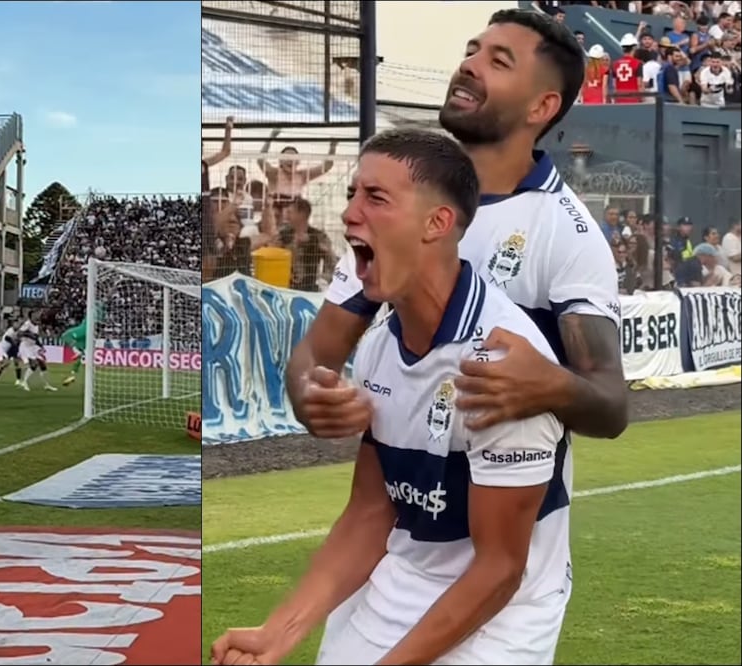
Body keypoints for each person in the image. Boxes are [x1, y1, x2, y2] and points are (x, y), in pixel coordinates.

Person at [284, 9, 627, 660]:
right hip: (402, 542)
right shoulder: (392, 209)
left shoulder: (566, 235)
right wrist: (311, 395)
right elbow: (315, 357)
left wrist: (550, 384)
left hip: (508, 566)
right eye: (472, 49)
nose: (468, 64)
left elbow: (611, 406)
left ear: (542, 106)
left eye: (498, 60)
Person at [212, 129, 571, 666]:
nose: (349, 213)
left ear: (437, 223)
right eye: (353, 194)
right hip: (405, 575)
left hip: (506, 613)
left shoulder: (502, 365)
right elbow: (370, 512)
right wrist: (278, 632)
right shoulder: (380, 345)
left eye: (375, 198)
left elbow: (499, 570)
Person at [60, 301, 105, 387]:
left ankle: (77, 352)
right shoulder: (101, 314)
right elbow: (101, 324)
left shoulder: (93, 310)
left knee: (65, 335)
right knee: (80, 354)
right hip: (89, 335)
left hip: (85, 328)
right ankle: (72, 375)